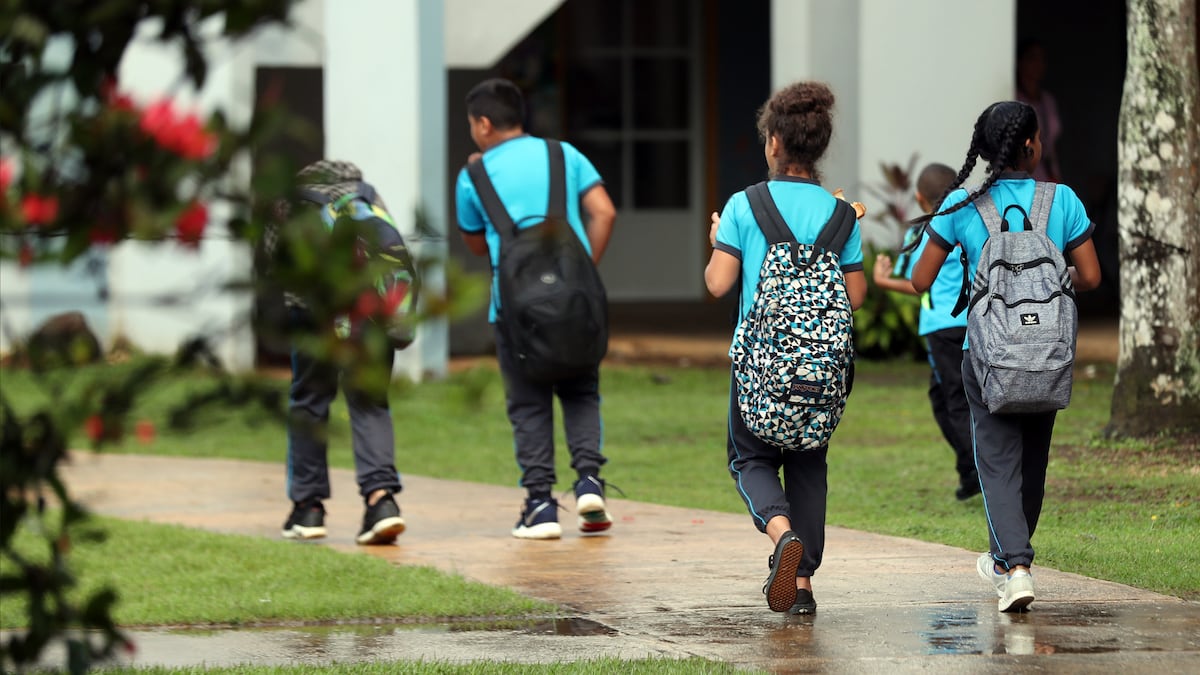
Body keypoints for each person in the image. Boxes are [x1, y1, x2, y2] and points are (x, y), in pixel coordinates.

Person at [910, 101, 1101, 612]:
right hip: (1049, 353)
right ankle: (1008, 561)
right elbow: (1092, 276)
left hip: (986, 354)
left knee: (997, 462)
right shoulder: (1062, 202)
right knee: (1033, 462)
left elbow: (920, 280)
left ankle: (1014, 566)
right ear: (1033, 145)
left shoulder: (964, 206)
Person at [704, 81, 866, 614]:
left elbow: (718, 284)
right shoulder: (841, 215)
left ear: (774, 141)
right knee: (808, 463)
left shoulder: (743, 206)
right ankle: (802, 586)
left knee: (749, 458)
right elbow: (857, 296)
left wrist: (718, 243)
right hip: (821, 370)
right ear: (819, 146)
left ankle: (781, 537)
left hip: (758, 369)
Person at [454, 78, 618, 540]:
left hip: (514, 309)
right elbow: (603, 212)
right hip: (577, 302)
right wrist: (581, 271)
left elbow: (473, 242)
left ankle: (541, 506)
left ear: (484, 124)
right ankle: (589, 482)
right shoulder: (563, 154)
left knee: (528, 404)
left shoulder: (474, 175)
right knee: (581, 391)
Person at [278, 160, 407, 546]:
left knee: (310, 402)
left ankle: (308, 509)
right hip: (372, 315)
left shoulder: (292, 202)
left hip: (316, 317)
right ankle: (382, 502)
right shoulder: (368, 196)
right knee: (370, 402)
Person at [872, 163, 979, 501]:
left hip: (942, 328)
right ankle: (971, 471)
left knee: (954, 402)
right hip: (975, 322)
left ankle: (977, 471)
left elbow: (916, 283)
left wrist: (881, 279)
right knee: (952, 397)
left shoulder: (921, 232)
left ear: (919, 198)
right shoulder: (972, 222)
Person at [1016, 39, 1062, 182]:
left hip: (1049, 172)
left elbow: (1051, 146)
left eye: (1041, 59)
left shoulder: (1048, 100)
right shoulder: (1014, 98)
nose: (1038, 64)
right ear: (1020, 62)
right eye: (1032, 58)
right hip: (1024, 173)